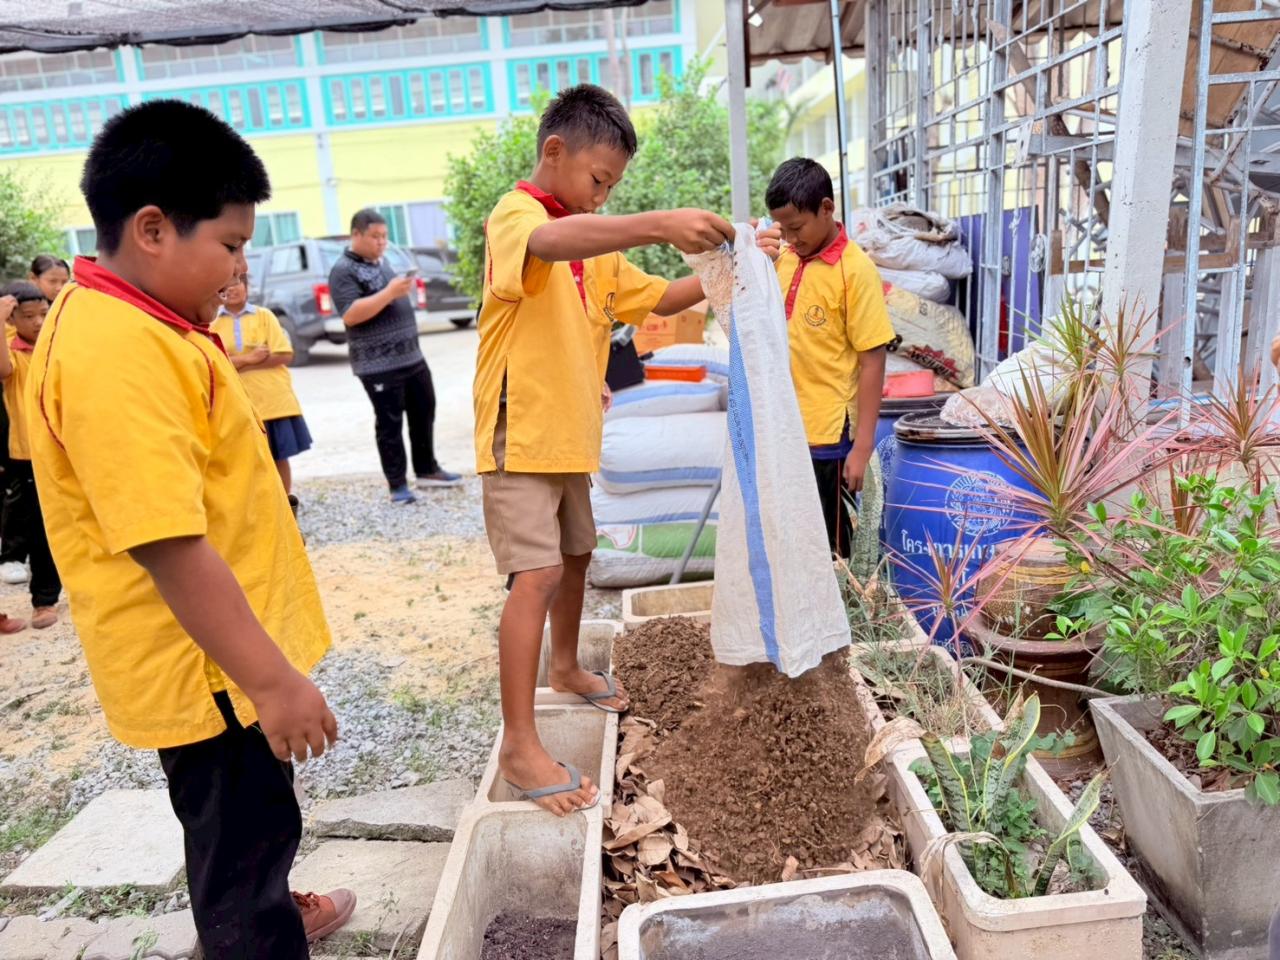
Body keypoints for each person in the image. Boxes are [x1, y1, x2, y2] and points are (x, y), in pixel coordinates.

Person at [28, 99, 353, 958]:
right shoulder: (115, 350)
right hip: (210, 668)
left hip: (223, 654)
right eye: (232, 244)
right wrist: (273, 683)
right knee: (240, 840)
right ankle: (255, 931)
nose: (239, 269)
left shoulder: (148, 318)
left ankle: (267, 908)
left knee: (252, 826)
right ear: (152, 229)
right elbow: (167, 541)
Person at [476, 83, 733, 815]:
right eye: (597, 181)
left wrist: (721, 269)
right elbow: (548, 244)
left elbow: (657, 299)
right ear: (554, 152)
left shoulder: (599, 253)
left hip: (568, 437)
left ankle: (565, 667)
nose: (599, 198)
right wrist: (652, 220)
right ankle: (520, 744)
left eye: (611, 188)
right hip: (518, 434)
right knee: (535, 575)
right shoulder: (518, 214)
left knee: (578, 555)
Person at [757, 158, 893, 559]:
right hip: (785, 428)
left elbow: (873, 360)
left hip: (828, 437)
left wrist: (863, 446)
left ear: (827, 208)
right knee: (791, 541)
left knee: (831, 548)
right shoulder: (783, 260)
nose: (792, 239)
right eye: (783, 229)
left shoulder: (856, 272)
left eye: (797, 228)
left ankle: (839, 616)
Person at [327, 209, 460, 504]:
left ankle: (427, 469)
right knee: (389, 423)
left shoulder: (383, 262)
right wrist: (389, 292)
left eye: (385, 236)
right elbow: (350, 314)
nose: (381, 242)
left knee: (424, 409)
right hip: (378, 364)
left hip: (410, 356)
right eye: (375, 237)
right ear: (356, 235)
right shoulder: (342, 271)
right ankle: (397, 484)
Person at [211, 272, 312, 507]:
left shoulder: (264, 316)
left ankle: (285, 505)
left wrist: (236, 362)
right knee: (246, 460)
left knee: (279, 456)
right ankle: (259, 505)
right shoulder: (214, 324)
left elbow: (284, 354)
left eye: (238, 283)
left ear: (247, 287)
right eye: (227, 285)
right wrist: (251, 358)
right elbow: (215, 364)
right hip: (240, 403)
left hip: (273, 401)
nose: (233, 289)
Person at [0, 281, 60, 630]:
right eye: (28, 316)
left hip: (58, 448)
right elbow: (4, 371)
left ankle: (52, 597)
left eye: (43, 313)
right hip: (25, 455)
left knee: (55, 527)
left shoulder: (54, 343)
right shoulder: (12, 350)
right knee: (30, 527)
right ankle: (40, 596)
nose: (38, 322)